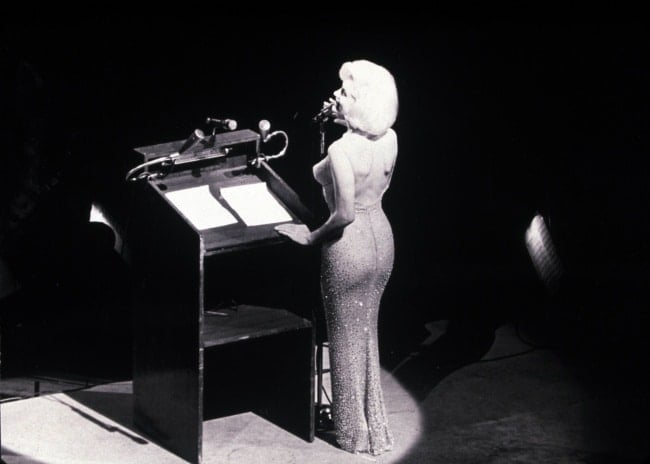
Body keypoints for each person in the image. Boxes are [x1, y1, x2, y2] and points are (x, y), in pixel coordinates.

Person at [275, 59, 398, 456]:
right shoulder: (390, 139)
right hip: (381, 237)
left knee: (344, 338)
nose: (336, 95)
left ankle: (351, 433)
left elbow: (343, 213)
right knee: (367, 332)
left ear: (363, 103)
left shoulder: (342, 150)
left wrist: (310, 237)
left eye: (345, 93)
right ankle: (372, 426)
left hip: (349, 245)